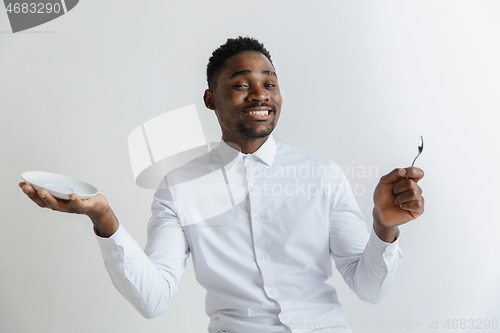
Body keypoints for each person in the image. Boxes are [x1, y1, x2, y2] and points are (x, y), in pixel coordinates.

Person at [19, 37, 425, 333]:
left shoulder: (321, 173)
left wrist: (384, 228)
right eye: (241, 84)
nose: (260, 94)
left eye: (270, 82)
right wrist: (105, 219)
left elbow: (369, 289)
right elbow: (153, 299)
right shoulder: (179, 187)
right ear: (211, 98)